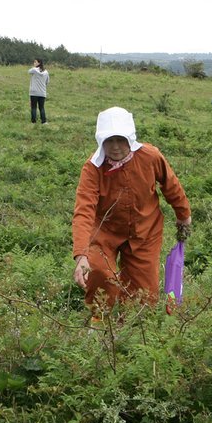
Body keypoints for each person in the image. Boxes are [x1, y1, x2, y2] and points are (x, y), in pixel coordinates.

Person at [72, 107, 192, 309]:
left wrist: (183, 215)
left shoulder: (150, 156)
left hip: (145, 231)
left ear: (130, 138)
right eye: (109, 141)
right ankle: (100, 322)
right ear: (101, 141)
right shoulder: (93, 168)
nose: (115, 147)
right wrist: (82, 254)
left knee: (144, 295)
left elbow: (171, 185)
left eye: (121, 140)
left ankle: (129, 331)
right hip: (104, 232)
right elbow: (84, 210)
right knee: (98, 272)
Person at [29, 59, 49, 124]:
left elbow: (29, 71)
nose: (34, 63)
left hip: (34, 92)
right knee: (42, 107)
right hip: (42, 92)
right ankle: (44, 121)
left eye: (35, 62)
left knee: (33, 107)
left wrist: (34, 67)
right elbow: (47, 82)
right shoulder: (46, 72)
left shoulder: (34, 70)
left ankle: (33, 122)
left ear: (39, 63)